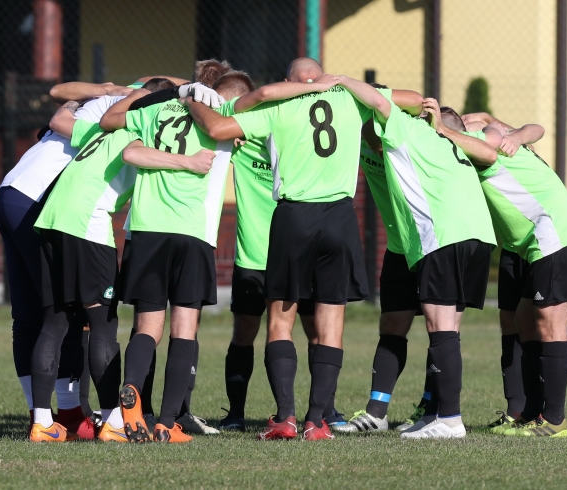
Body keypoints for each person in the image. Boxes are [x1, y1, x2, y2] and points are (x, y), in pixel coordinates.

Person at [187, 58, 375, 441]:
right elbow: (402, 102)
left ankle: (287, 416)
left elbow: (221, 121)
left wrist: (188, 95)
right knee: (326, 326)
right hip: (333, 219)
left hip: (286, 231)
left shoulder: (271, 111)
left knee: (278, 325)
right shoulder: (348, 101)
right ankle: (314, 419)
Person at [26, 85, 215, 443]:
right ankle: (114, 421)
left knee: (54, 322)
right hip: (87, 224)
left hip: (49, 220)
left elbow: (61, 119)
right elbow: (134, 153)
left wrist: (75, 101)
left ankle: (41, 422)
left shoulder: (100, 130)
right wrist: (190, 160)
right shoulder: (135, 132)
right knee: (103, 324)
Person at [97, 71, 254, 444]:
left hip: (146, 229)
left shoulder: (160, 108)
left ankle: (131, 396)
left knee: (146, 326)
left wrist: (173, 90)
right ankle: (169, 422)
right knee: (184, 328)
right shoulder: (226, 122)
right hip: (193, 232)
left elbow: (110, 120)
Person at [338, 77, 497, 439]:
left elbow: (385, 105)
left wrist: (341, 81)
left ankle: (446, 417)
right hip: (443, 238)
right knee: (425, 326)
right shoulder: (421, 136)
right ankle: (396, 413)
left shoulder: (402, 128)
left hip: (437, 235)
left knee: (440, 327)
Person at [0, 81, 134, 440]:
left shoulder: (102, 98)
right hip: (42, 200)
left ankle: (40, 415)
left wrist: (91, 93)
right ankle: (69, 413)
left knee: (29, 314)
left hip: (11, 191)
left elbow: (59, 96)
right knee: (64, 310)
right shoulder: (133, 113)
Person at [460, 111, 567, 437]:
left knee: (550, 324)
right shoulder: (498, 140)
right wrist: (504, 128)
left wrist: (450, 128)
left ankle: (554, 421)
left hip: (557, 237)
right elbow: (531, 128)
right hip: (540, 242)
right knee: (526, 321)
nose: (473, 130)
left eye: (474, 127)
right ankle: (530, 413)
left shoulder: (489, 142)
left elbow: (508, 133)